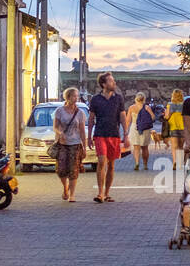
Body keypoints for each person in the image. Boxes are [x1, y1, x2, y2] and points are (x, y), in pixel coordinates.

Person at [86, 71, 126, 202]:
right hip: (100, 134)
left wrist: (126, 133)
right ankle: (100, 193)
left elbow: (122, 116)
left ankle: (107, 193)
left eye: (113, 80)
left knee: (111, 164)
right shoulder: (96, 99)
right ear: (103, 84)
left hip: (114, 134)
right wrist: (89, 136)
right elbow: (91, 118)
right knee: (102, 161)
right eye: (110, 81)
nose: (113, 82)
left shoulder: (118, 98)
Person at [52, 87, 87, 202]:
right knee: (61, 170)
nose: (76, 98)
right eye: (73, 96)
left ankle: (72, 194)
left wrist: (85, 147)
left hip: (75, 144)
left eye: (77, 96)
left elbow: (82, 131)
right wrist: (60, 132)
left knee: (73, 170)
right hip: (62, 144)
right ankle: (65, 188)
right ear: (68, 97)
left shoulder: (80, 113)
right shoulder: (59, 111)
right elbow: (55, 126)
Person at [128, 92, 155, 170]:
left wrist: (126, 130)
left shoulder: (131, 107)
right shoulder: (147, 107)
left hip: (135, 128)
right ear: (144, 99)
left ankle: (137, 163)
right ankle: (145, 165)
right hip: (145, 129)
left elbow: (128, 120)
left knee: (136, 147)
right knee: (145, 148)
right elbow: (153, 117)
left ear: (136, 98)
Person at [166, 89, 186, 170]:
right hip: (183, 127)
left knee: (174, 146)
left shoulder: (170, 105)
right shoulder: (184, 105)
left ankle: (174, 162)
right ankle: (180, 164)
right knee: (181, 146)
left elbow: (167, 116)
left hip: (173, 127)